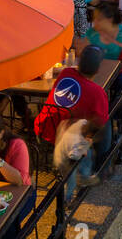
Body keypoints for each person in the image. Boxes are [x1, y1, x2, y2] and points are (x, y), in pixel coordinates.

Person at [33, 44, 110, 173]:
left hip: (44, 127)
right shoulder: (97, 92)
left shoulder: (66, 73)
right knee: (106, 126)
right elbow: (99, 123)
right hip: (65, 140)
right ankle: (101, 167)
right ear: (97, 70)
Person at [81, 4, 122, 90]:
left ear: (109, 20)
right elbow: (83, 49)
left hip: (119, 72)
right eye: (94, 18)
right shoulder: (93, 32)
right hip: (97, 69)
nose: (94, 22)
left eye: (99, 19)